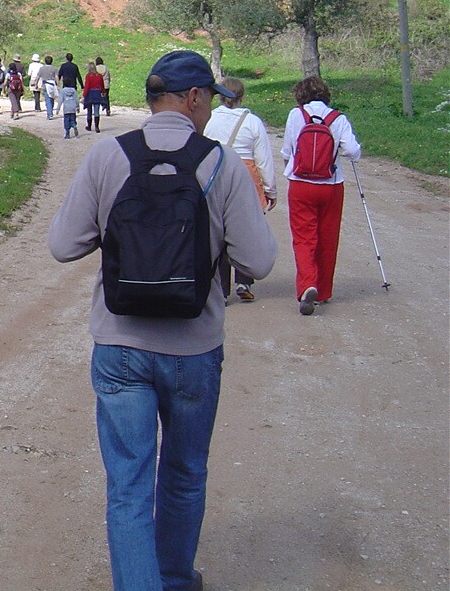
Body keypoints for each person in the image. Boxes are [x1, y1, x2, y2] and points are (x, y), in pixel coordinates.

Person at [48, 50, 277, 591]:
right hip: (194, 349)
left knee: (127, 485)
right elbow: (260, 262)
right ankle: (174, 578)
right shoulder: (218, 163)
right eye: (208, 101)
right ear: (194, 98)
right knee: (184, 474)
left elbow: (63, 245)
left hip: (119, 346)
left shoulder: (108, 156)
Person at [280, 75, 362, 316]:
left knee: (304, 238)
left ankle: (308, 284)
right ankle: (324, 290)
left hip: (300, 184)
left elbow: (287, 149)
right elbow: (352, 151)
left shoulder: (296, 115)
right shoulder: (338, 118)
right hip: (331, 184)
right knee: (328, 237)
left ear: (300, 94)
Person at [203, 77, 277, 301]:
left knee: (219, 230)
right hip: (247, 174)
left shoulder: (210, 118)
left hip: (216, 171)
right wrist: (269, 189)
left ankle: (222, 289)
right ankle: (244, 282)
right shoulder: (252, 121)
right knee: (246, 228)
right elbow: (263, 158)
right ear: (241, 97)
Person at [83, 61, 105, 133]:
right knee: (96, 111)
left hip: (90, 93)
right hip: (97, 93)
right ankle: (97, 127)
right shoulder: (99, 76)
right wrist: (103, 92)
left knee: (89, 111)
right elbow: (102, 85)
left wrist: (84, 95)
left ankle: (89, 126)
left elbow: (87, 86)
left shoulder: (88, 76)